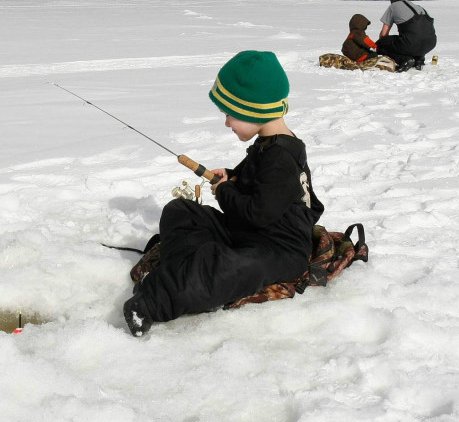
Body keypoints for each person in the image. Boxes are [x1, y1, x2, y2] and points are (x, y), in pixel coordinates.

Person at [123, 51, 324, 337]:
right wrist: (232, 176)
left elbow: (257, 213)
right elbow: (255, 181)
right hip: (246, 232)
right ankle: (185, 271)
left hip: (278, 250)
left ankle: (154, 300)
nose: (227, 123)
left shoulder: (280, 156)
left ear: (253, 111)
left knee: (230, 267)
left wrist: (225, 190)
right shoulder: (272, 144)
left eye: (230, 114)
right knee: (180, 211)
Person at [376, 0, 437, 72]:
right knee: (413, 38)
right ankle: (419, 60)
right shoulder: (419, 7)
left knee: (381, 44)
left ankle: (403, 60)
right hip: (431, 43)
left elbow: (384, 34)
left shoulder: (393, 7)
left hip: (412, 43)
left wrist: (381, 45)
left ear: (393, 0)